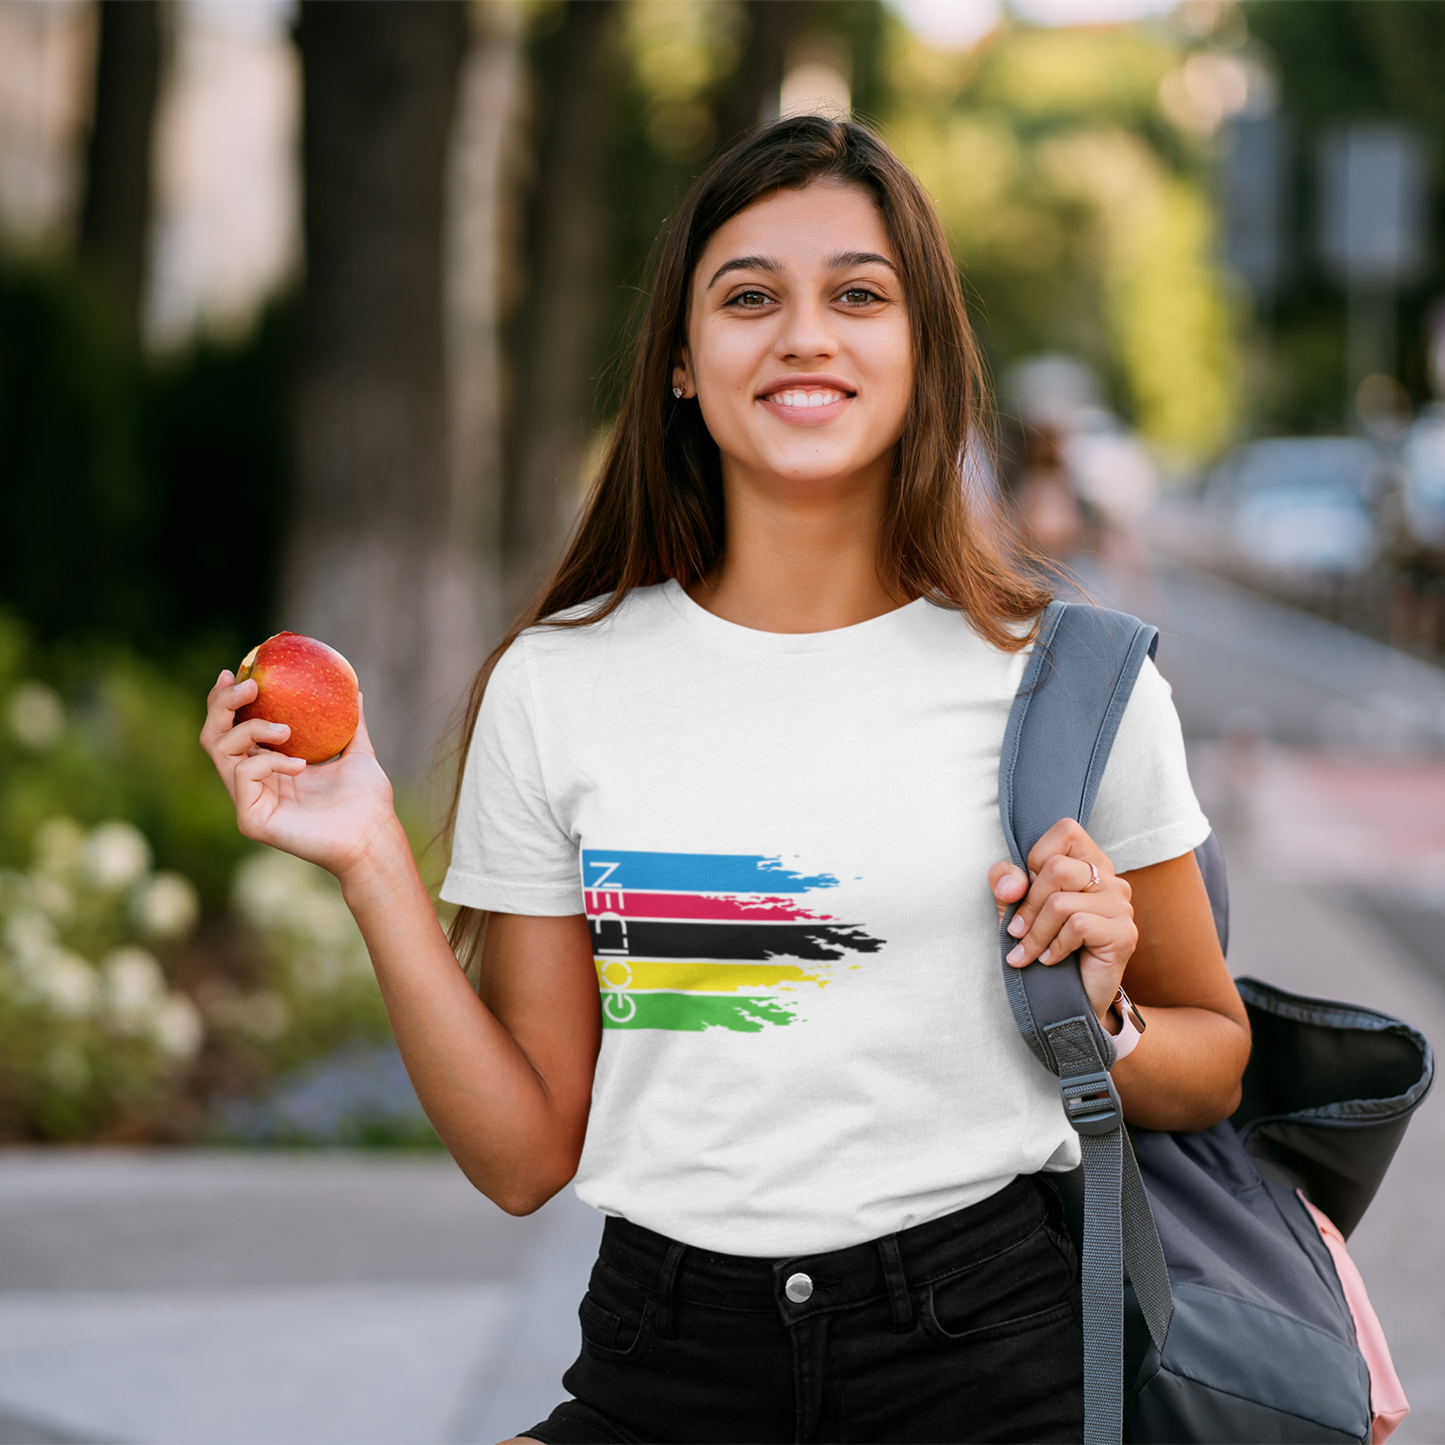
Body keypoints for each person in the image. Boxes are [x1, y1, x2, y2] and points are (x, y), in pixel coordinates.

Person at [201, 116, 1249, 1444]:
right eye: (750, 297)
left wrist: (1106, 1020)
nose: (806, 334)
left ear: (921, 354)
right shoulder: (559, 682)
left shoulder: (1071, 681)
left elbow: (1213, 1064)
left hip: (988, 1361)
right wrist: (367, 855)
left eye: (859, 295)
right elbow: (527, 1158)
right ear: (686, 366)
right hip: (665, 1353)